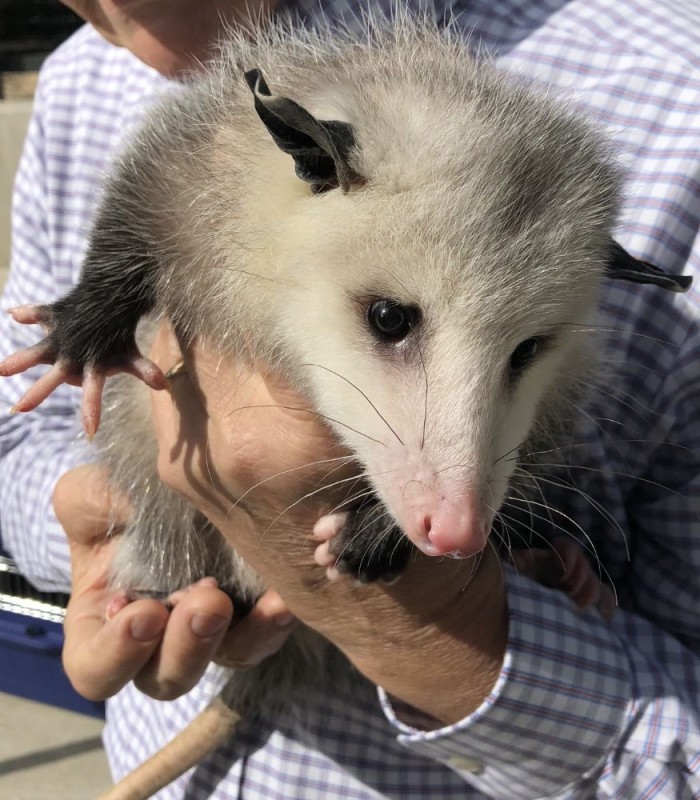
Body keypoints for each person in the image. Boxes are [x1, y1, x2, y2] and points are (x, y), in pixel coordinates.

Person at [1, 0, 698, 797]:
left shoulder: (682, 98)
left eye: (526, 348)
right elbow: (23, 429)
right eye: (390, 320)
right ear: (310, 157)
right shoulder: (83, 80)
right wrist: (95, 533)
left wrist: (444, 628)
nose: (458, 524)